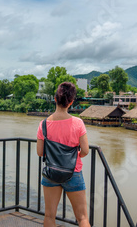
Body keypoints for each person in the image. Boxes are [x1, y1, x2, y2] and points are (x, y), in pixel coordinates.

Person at [37, 82, 90, 227]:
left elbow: (40, 152)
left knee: (49, 216)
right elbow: (85, 150)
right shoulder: (78, 123)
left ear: (55, 99)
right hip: (73, 172)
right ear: (71, 102)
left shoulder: (43, 124)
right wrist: (74, 156)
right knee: (82, 218)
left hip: (51, 172)